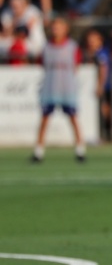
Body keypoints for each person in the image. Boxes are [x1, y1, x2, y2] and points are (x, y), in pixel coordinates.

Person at [32, 17, 86, 163]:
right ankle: (38, 152)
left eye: (59, 27)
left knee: (73, 118)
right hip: (50, 88)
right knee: (44, 119)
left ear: (66, 29)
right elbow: (41, 63)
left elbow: (76, 66)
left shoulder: (72, 46)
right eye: (54, 27)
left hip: (67, 88)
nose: (56, 30)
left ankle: (80, 150)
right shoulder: (46, 47)